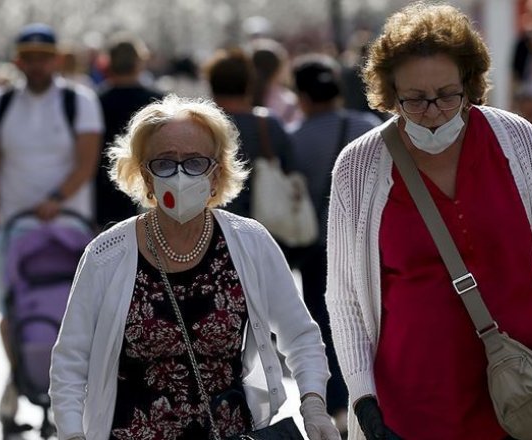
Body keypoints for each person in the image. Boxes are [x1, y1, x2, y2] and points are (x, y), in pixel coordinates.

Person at [324, 4, 532, 439]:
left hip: (531, 399)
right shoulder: (358, 167)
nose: (435, 111)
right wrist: (364, 399)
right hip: (414, 411)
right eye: (415, 100)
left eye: (447, 94)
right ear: (390, 93)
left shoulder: (519, 142)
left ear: (470, 84)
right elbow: (345, 299)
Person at [49, 95, 340, 440]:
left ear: (217, 173)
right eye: (165, 163)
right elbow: (70, 361)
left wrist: (313, 405)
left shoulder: (251, 242)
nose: (180, 175)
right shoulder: (106, 254)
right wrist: (71, 433)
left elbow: (301, 336)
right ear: (145, 175)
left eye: (195, 162)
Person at [0, 22, 103, 434]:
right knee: (11, 306)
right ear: (18, 60)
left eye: (42, 57)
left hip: (67, 222)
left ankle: (72, 391)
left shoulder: (78, 100)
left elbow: (87, 161)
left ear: (55, 59)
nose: (35, 65)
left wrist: (57, 199)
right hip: (15, 225)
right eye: (28, 57)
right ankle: (18, 377)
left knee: (72, 308)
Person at [289, 53, 380, 434]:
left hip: (317, 249)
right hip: (369, 242)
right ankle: (374, 397)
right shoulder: (369, 127)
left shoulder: (295, 138)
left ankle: (341, 407)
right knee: (371, 321)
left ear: (303, 96)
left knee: (326, 327)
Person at [204, 48, 296, 221]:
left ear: (211, 84)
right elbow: (290, 167)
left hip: (215, 223)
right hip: (266, 223)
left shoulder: (201, 126)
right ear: (249, 84)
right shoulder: (268, 123)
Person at [95, 32, 163, 229]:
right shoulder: (156, 102)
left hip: (105, 190)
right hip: (148, 188)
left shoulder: (96, 101)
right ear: (139, 62)